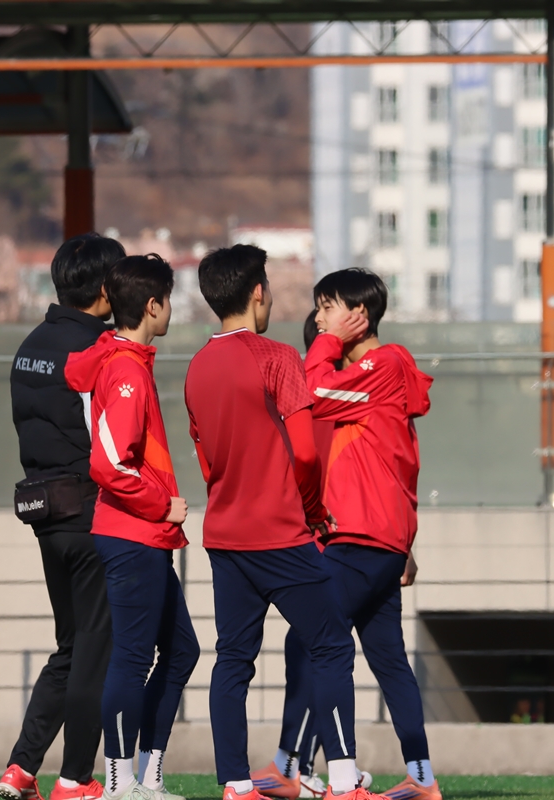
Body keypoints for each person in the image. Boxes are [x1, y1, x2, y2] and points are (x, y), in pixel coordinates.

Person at [183, 244, 371, 800]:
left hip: (225, 535)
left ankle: (236, 785)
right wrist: (311, 512)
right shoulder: (278, 356)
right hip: (280, 533)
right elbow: (306, 453)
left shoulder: (196, 367)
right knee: (332, 645)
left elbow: (206, 460)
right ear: (259, 292)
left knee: (232, 661)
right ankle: (343, 783)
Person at [254, 269, 439, 800]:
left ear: (359, 313)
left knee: (311, 637)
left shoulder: (386, 363)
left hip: (361, 537)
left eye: (327, 307)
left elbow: (310, 393)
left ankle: (299, 768)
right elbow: (398, 464)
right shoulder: (372, 377)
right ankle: (422, 778)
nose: (319, 318)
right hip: (377, 540)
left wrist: (328, 343)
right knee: (388, 659)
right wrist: (405, 544)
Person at [64, 254, 200, 800]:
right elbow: (108, 464)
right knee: (132, 657)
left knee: (182, 651)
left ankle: (148, 777)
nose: (171, 309)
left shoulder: (124, 360)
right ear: (152, 306)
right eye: (168, 300)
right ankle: (122, 783)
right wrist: (161, 505)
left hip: (141, 535)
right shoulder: (125, 371)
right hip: (132, 533)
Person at [0, 234, 123, 800]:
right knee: (96, 648)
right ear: (105, 289)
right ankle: (76, 777)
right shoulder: (98, 348)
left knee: (70, 646)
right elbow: (108, 439)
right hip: (91, 511)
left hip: (46, 512)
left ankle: (21, 768)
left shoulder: (31, 343)